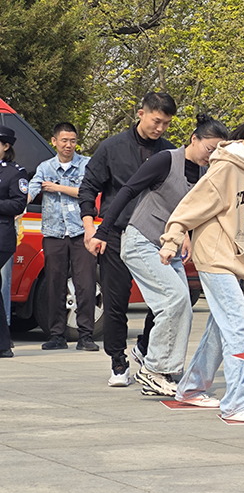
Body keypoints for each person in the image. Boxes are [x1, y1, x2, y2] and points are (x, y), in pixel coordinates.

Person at [88, 115, 228, 398]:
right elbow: (127, 191)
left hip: (169, 247)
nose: (211, 156)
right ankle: (152, 369)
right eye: (209, 149)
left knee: (184, 306)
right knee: (173, 298)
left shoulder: (204, 173)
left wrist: (187, 233)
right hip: (140, 241)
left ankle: (165, 370)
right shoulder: (165, 160)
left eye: (218, 152)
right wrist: (101, 231)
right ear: (194, 139)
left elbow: (192, 211)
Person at [159, 103, 244, 420]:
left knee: (220, 327)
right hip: (214, 255)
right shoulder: (227, 165)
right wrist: (172, 240)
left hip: (235, 254)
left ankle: (190, 388)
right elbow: (191, 205)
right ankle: (236, 403)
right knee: (240, 326)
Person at [79, 92, 176, 386]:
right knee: (116, 302)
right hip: (117, 237)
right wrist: (90, 229)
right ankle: (118, 363)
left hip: (156, 238)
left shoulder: (170, 153)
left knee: (165, 300)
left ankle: (145, 347)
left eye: (166, 124)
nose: (159, 128)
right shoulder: (112, 148)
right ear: (140, 113)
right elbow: (88, 189)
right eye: (156, 121)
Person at [28, 122, 98, 352]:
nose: (69, 145)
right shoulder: (45, 167)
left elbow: (88, 191)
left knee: (85, 283)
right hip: (54, 233)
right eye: (64, 140)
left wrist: (57, 188)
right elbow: (30, 190)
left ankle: (86, 335)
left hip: (82, 232)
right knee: (54, 285)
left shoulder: (87, 164)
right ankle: (56, 334)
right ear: (54, 141)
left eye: (73, 141)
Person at [0, 125, 27, 358]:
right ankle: (3, 344)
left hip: (1, 237)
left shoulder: (14, 173)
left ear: (5, 146)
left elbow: (18, 204)